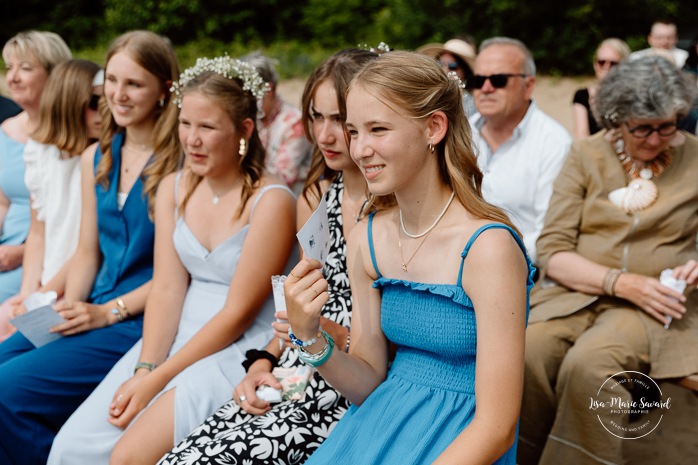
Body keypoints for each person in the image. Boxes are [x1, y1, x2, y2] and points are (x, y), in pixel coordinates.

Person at [285, 51, 533, 464]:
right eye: (354, 132)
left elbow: (498, 426)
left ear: (434, 127)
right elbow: (367, 380)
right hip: (380, 424)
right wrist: (310, 337)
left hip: (461, 443)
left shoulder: (489, 248)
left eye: (378, 129)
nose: (361, 149)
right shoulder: (367, 235)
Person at [49, 56, 298, 465]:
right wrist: (147, 365)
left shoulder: (270, 201)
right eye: (186, 124)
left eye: (207, 127)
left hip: (236, 343)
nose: (192, 140)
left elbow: (238, 313)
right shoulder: (173, 187)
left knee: (127, 456)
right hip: (175, 332)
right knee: (72, 445)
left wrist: (160, 379)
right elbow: (167, 287)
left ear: (244, 130)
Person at [159, 48, 377, 465]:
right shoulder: (316, 196)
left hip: (350, 380)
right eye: (316, 117)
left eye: (341, 121)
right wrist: (263, 360)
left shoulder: (394, 210)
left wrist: (327, 334)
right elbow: (297, 298)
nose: (325, 135)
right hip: (295, 366)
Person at [0, 30, 181, 465]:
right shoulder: (97, 156)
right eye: (112, 82)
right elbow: (86, 253)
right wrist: (64, 311)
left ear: (164, 90)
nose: (118, 95)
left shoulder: (179, 162)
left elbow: (178, 275)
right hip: (92, 302)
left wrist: (105, 312)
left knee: (7, 391)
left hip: (138, 316)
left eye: (134, 84)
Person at [518, 55, 698, 465]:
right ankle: (518, 456)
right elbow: (553, 250)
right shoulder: (586, 155)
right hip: (575, 294)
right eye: (642, 129)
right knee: (529, 351)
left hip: (658, 303)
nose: (655, 140)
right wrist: (619, 282)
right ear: (617, 119)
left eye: (667, 126)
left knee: (593, 365)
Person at [0, 59, 103, 342]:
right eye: (95, 102)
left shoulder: (102, 159)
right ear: (70, 102)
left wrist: (43, 295)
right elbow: (38, 230)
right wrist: (28, 291)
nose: (106, 112)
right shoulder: (40, 152)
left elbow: (88, 248)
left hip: (79, 286)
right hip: (46, 279)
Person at [469, 37, 571, 265]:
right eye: (478, 80)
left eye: (499, 79)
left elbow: (549, 233)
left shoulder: (554, 143)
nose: (486, 88)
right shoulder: (461, 135)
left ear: (529, 86)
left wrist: (487, 256)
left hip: (524, 270)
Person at [0, 31, 71, 304]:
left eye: (25, 68)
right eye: (9, 68)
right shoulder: (6, 131)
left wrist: (20, 253)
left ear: (55, 75)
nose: (13, 78)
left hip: (45, 258)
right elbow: (3, 203)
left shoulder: (71, 138)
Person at [243, 52, 312, 193]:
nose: (245, 100)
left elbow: (282, 176)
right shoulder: (255, 118)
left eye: (249, 94)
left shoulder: (294, 122)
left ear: (268, 90)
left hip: (291, 200)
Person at [572, 38, 630, 139]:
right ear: (595, 64)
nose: (606, 66)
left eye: (613, 63)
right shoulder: (582, 96)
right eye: (601, 62)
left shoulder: (630, 96)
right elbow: (582, 138)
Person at [418, 38, 478, 117]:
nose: (445, 70)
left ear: (465, 71)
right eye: (439, 64)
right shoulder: (427, 97)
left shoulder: (472, 104)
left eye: (452, 66)